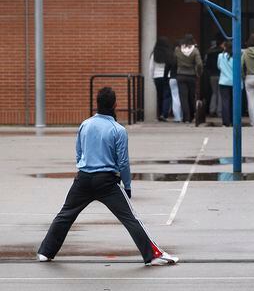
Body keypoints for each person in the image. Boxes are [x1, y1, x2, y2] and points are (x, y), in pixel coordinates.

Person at [37, 87, 178, 266]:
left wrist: (84, 166)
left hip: (83, 178)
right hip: (107, 182)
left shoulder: (85, 125)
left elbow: (79, 153)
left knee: (65, 215)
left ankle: (45, 252)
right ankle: (152, 254)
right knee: (130, 218)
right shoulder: (118, 130)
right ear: (115, 105)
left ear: (97, 104)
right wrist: (127, 186)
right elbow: (123, 163)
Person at [175, 34, 203, 123]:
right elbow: (199, 64)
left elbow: (174, 61)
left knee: (183, 97)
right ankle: (192, 115)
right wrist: (198, 73)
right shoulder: (195, 51)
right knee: (191, 96)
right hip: (191, 76)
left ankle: (186, 118)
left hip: (180, 75)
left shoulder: (177, 49)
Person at [150, 37, 173, 122]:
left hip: (157, 77)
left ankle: (159, 114)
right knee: (166, 96)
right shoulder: (170, 53)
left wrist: (152, 77)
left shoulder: (154, 54)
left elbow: (151, 67)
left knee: (159, 96)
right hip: (168, 76)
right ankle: (164, 114)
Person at [205, 33, 225, 117]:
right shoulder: (223, 52)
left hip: (212, 75)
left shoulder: (209, 52)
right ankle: (219, 111)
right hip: (221, 74)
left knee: (214, 93)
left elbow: (206, 64)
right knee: (220, 93)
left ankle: (212, 110)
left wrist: (209, 72)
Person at [217, 40, 234, 127]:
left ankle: (225, 122)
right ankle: (233, 121)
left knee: (225, 102)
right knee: (234, 102)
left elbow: (219, 67)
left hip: (223, 81)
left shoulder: (220, 56)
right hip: (234, 82)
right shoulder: (236, 56)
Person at [165, 41, 182, 123]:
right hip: (181, 77)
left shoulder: (171, 57)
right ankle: (182, 116)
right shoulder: (182, 56)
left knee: (175, 98)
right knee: (182, 97)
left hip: (172, 78)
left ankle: (177, 117)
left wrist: (165, 78)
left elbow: (166, 69)